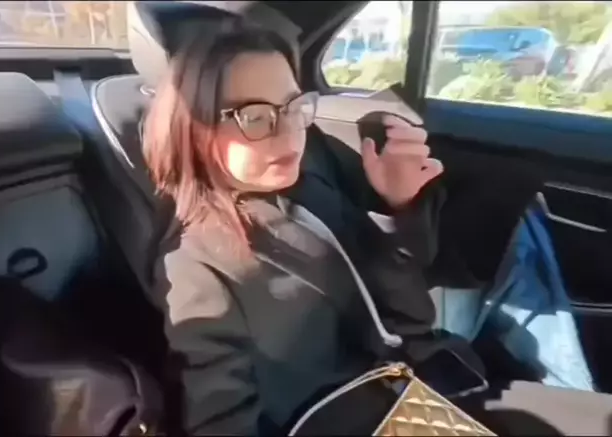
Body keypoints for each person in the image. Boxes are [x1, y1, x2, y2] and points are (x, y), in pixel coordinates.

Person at [142, 19, 612, 436]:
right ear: (194, 129)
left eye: (293, 107)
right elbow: (219, 420)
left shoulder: (306, 184)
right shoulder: (194, 267)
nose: (289, 135)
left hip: (422, 382)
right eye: (256, 118)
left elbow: (404, 312)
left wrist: (397, 207)